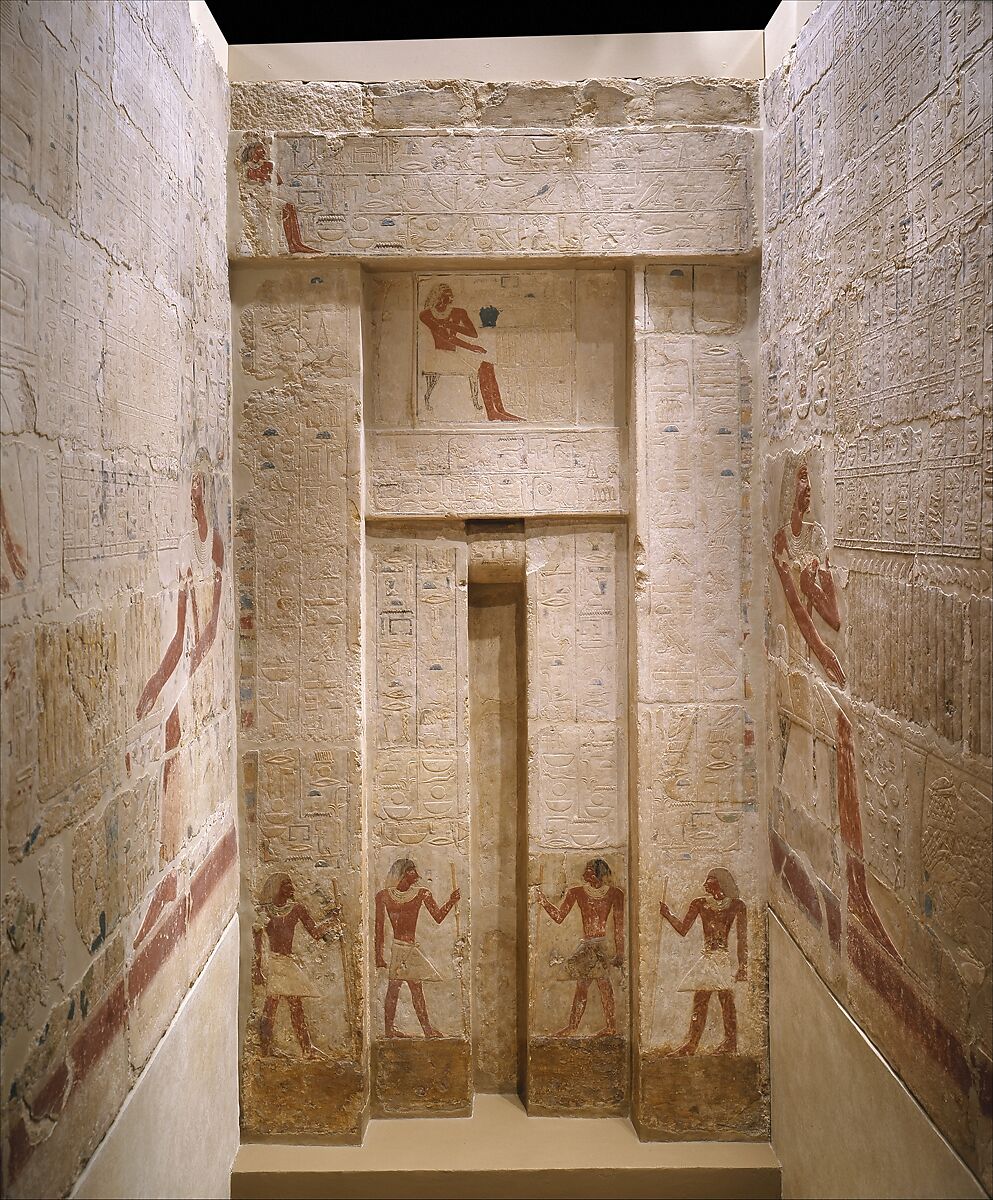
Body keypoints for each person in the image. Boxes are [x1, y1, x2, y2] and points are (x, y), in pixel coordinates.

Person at [772, 453, 898, 957]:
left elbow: (833, 615)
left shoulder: (818, 538)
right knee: (841, 732)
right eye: (801, 479)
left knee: (844, 735)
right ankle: (854, 885)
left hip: (820, 659)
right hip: (798, 661)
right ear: (789, 488)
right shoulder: (782, 541)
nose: (808, 487)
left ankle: (857, 886)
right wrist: (827, 661)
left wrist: (822, 583)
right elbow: (801, 618)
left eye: (809, 479)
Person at [136, 450, 224, 858]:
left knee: (177, 723)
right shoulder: (188, 549)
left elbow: (212, 623)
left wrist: (195, 664)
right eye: (188, 488)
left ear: (205, 489)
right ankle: (167, 843)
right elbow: (179, 631)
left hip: (210, 658)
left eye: (197, 486)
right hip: (191, 659)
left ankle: (172, 841)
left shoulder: (214, 545)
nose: (192, 495)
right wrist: (156, 681)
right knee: (167, 725)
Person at [659, 868, 746, 1055]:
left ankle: (729, 1044)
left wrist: (743, 966)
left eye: (710, 879)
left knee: (726, 1000)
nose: (705, 883)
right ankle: (692, 1044)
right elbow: (683, 929)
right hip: (708, 958)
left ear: (720, 882)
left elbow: (742, 938)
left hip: (721, 958)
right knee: (701, 1000)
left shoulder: (737, 906)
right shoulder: (699, 903)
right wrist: (667, 914)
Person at [253, 873, 340, 1059]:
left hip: (288, 963)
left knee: (294, 1007)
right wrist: (257, 968)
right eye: (286, 884)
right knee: (271, 1007)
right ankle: (267, 1049)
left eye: (291, 884)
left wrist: (331, 921)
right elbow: (257, 940)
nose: (291, 887)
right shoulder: (265, 912)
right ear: (277, 888)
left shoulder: (297, 909)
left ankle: (306, 1049)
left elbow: (315, 932)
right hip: (276, 963)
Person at [536, 858, 624, 1037]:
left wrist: (620, 953)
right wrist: (543, 902)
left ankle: (604, 1026)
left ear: (596, 874)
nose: (584, 873)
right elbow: (560, 917)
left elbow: (619, 926)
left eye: (589, 870)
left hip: (599, 947)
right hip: (588, 947)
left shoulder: (615, 894)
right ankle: (580, 1026)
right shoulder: (577, 892)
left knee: (600, 986)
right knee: (587, 987)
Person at [375, 858, 459, 1038]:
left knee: (408, 989)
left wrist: (451, 901)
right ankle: (405, 1030)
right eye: (412, 871)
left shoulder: (422, 893)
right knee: (399, 990)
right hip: (400, 948)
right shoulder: (383, 896)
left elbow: (437, 916)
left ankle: (415, 1029)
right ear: (404, 873)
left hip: (408, 948)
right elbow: (379, 928)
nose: (417, 875)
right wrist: (378, 956)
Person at [418, 284, 523, 422]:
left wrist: (452, 325)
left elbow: (473, 333)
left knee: (488, 366)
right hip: (438, 356)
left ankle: (500, 410)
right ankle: (492, 412)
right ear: (438, 297)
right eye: (446, 296)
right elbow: (446, 337)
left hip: (453, 354)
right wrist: (471, 347)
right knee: (483, 367)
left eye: (450, 296)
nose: (450, 299)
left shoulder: (458, 312)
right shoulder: (426, 314)